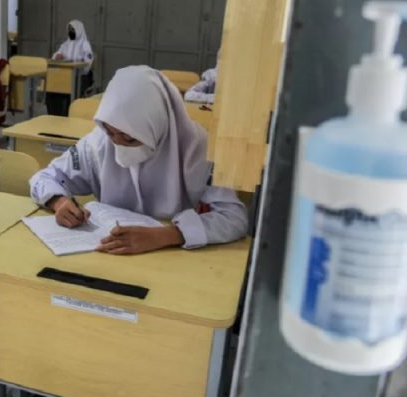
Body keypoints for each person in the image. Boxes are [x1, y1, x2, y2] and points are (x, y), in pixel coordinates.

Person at [30, 65, 248, 255]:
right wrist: (59, 202)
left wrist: (167, 235)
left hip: (174, 256)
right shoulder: (98, 142)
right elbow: (46, 177)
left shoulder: (199, 148)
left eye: (130, 138)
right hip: (110, 249)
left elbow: (234, 217)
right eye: (111, 133)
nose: (119, 145)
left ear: (157, 125)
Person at [47, 20, 94, 116]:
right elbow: (57, 55)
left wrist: (79, 63)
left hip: (80, 75)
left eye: (72, 29)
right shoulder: (66, 43)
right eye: (69, 29)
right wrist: (57, 55)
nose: (70, 31)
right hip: (64, 74)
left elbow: (88, 61)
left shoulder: (84, 44)